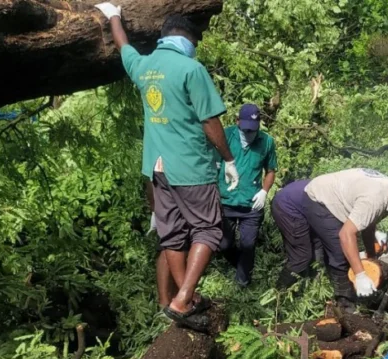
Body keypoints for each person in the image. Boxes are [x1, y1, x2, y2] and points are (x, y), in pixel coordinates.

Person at [94, 3, 240, 331]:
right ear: (186, 37)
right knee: (209, 229)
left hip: (157, 169)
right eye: (196, 41)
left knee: (172, 234)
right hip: (189, 165)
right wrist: (229, 160)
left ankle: (184, 299)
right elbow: (210, 122)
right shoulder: (191, 70)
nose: (196, 47)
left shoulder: (145, 66)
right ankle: (183, 296)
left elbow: (124, 47)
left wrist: (114, 16)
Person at [276, 169, 388, 310]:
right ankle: (342, 301)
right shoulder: (374, 200)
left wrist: (371, 256)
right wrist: (360, 275)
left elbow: (369, 224)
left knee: (321, 250)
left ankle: (315, 283)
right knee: (330, 252)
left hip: (325, 195)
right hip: (316, 200)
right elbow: (345, 235)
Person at [217, 104, 278, 287]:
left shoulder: (266, 142)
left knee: (248, 245)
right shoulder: (225, 135)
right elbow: (212, 162)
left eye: (253, 130)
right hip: (226, 201)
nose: (249, 133)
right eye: (245, 130)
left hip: (251, 204)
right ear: (237, 122)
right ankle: (240, 264)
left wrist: (264, 192)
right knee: (223, 245)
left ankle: (243, 284)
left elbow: (271, 170)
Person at [271, 179, 320, 289]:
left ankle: (313, 284)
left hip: (300, 204)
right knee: (301, 256)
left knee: (318, 243)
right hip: (289, 207)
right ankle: (280, 292)